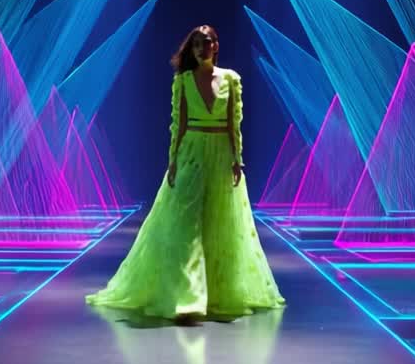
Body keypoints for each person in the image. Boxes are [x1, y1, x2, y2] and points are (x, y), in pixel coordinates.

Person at [86, 25, 285, 321]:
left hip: (221, 154)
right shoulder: (183, 81)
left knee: (221, 223)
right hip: (192, 151)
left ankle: (216, 293)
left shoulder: (231, 79)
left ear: (216, 45)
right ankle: (187, 296)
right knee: (185, 222)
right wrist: (173, 161)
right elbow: (178, 123)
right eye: (197, 44)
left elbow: (234, 123)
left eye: (207, 42)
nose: (202, 48)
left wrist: (237, 159)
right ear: (191, 50)